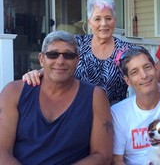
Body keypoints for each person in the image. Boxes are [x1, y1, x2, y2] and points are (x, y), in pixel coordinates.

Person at [0, 31, 112, 164]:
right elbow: (2, 151)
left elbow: (102, 155)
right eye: (52, 54)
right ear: (42, 59)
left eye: (68, 55)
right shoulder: (13, 92)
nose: (60, 61)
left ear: (77, 60)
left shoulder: (95, 97)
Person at [23, 0, 135, 104]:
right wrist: (38, 73)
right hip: (76, 110)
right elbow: (58, 63)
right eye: (97, 19)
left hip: (112, 115)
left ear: (114, 20)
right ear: (90, 22)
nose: (103, 24)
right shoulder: (76, 43)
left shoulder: (127, 50)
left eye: (108, 18)